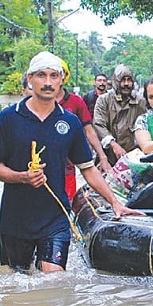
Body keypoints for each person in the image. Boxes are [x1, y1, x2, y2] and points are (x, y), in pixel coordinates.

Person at [0, 51, 144, 273]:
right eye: (41, 75)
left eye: (54, 76)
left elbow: (88, 169)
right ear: (30, 79)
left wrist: (115, 203)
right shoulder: (9, 118)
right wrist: (22, 177)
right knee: (15, 281)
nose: (48, 83)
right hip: (15, 218)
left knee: (55, 280)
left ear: (61, 80)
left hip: (55, 217)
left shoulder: (70, 122)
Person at [55, 59, 112, 201]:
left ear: (64, 76)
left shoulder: (76, 102)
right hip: (37, 171)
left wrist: (102, 156)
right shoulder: (32, 105)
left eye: (56, 74)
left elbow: (89, 130)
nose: (50, 80)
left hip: (67, 167)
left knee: (66, 207)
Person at [0, 72, 33, 199]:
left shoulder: (63, 117)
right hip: (18, 192)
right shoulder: (9, 118)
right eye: (31, 87)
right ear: (24, 91)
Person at [92, 64, 147, 166]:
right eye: (122, 80)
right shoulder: (104, 100)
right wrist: (113, 144)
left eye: (129, 80)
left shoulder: (140, 102)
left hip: (133, 157)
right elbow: (99, 125)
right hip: (108, 155)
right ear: (116, 81)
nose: (126, 84)